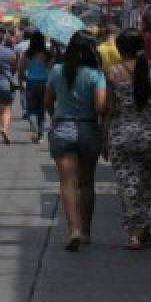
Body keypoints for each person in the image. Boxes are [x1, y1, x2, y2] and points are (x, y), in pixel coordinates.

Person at [103, 29, 151, 250]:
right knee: (146, 182)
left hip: (122, 135)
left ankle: (134, 233)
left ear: (119, 49)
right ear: (142, 47)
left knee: (128, 184)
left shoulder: (113, 72)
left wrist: (104, 138)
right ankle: (143, 229)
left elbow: (109, 109)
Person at [45, 32, 106, 250]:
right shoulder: (96, 75)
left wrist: (57, 119)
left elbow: (48, 102)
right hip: (88, 128)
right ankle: (87, 231)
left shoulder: (57, 71)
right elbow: (100, 107)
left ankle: (74, 230)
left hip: (63, 128)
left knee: (67, 184)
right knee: (87, 183)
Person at [18, 31, 52, 142]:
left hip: (31, 82)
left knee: (31, 108)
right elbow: (51, 69)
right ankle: (41, 134)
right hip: (45, 83)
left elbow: (21, 68)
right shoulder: (47, 54)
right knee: (42, 109)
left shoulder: (27, 54)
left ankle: (34, 129)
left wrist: (21, 80)